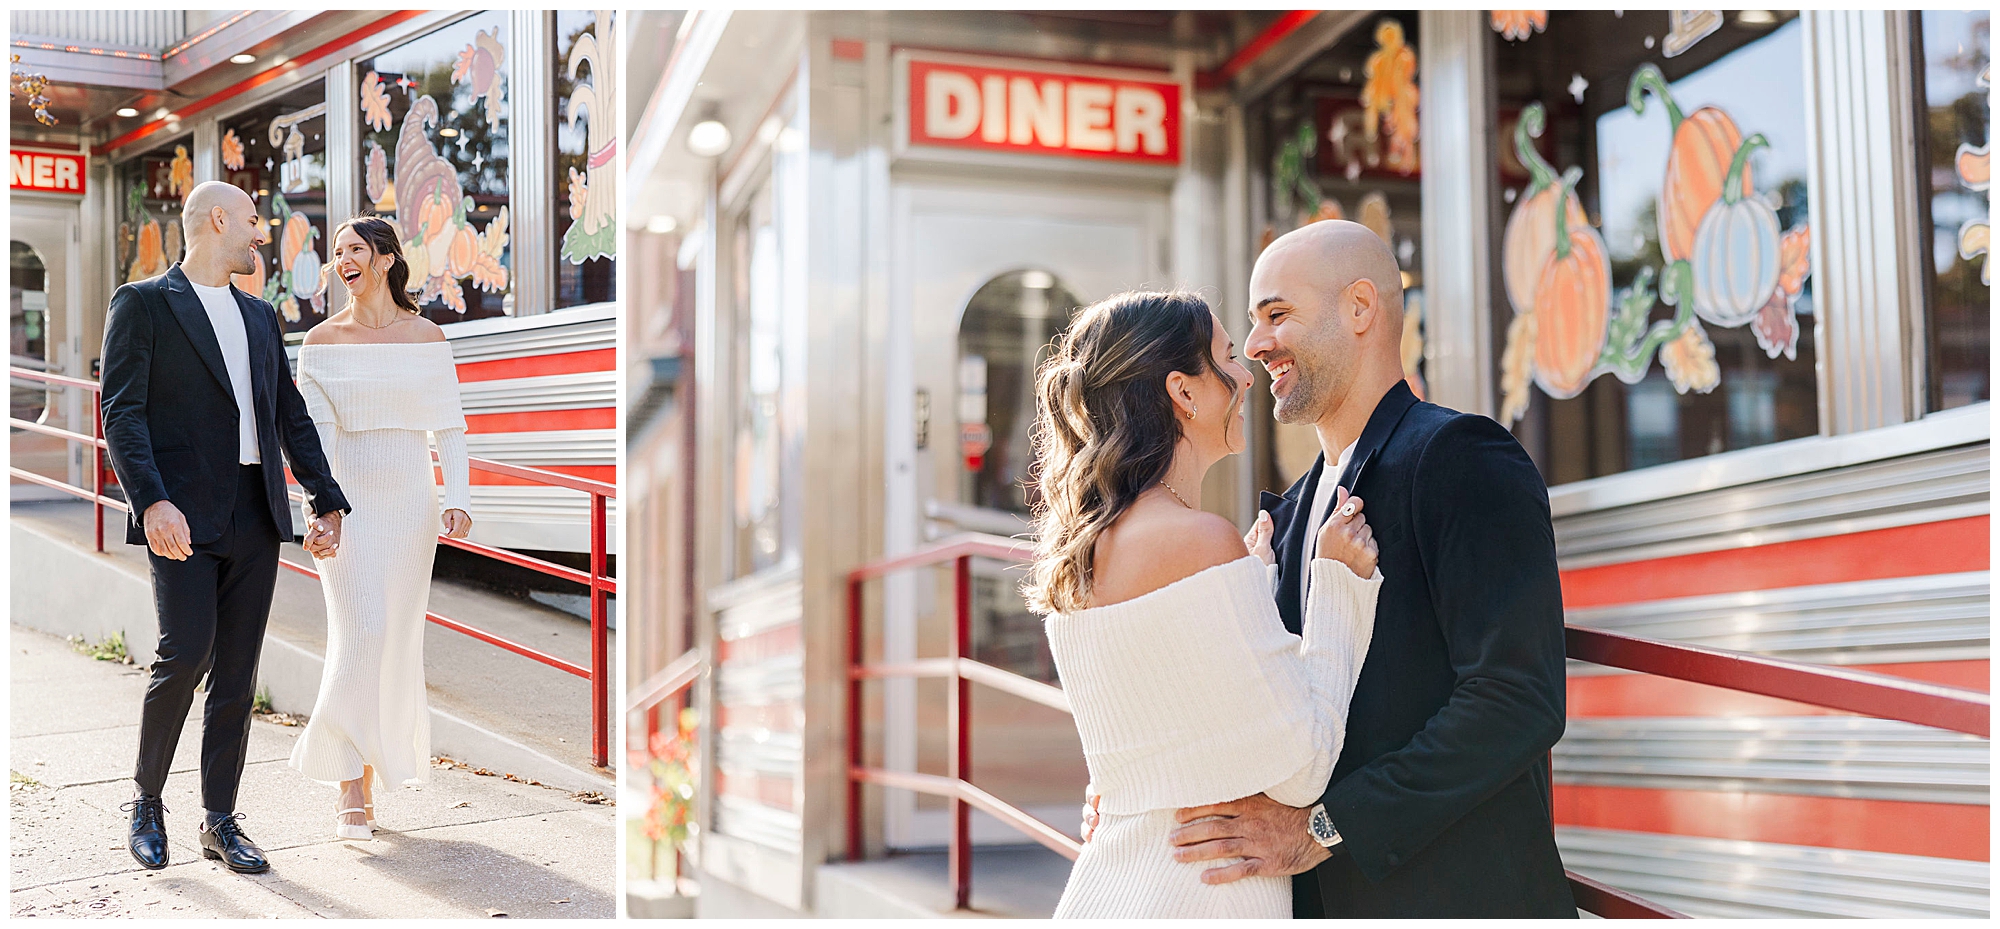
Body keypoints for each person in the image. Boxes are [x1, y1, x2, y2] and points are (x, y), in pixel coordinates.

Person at [1160, 220, 1575, 917]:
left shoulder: (1463, 456)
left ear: (1360, 308)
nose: (1256, 344)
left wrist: (1322, 828)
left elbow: (1516, 698)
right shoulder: (1289, 516)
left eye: (1276, 314)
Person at [1029, 291, 1383, 918]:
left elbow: (1178, 730)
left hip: (1110, 893)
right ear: (1184, 393)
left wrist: (1247, 583)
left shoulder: (1078, 551)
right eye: (1225, 356)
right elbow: (1303, 768)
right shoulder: (1199, 541)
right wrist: (1336, 588)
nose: (1247, 372)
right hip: (1198, 899)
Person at [101, 181, 350, 874]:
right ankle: (147, 800)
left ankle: (219, 819)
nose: (261, 232)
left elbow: (289, 416)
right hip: (179, 512)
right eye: (251, 220)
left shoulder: (261, 316)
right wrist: (150, 500)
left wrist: (325, 498)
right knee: (185, 652)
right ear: (217, 220)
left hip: (254, 509)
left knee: (237, 673)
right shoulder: (144, 304)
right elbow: (121, 412)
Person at [287, 216, 472, 841]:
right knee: (357, 630)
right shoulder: (319, 340)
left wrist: (459, 496)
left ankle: (368, 770)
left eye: (355, 249)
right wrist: (319, 509)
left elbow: (448, 423)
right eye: (336, 252)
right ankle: (348, 783)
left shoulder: (426, 337)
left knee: (391, 637)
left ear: (386, 261)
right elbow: (312, 439)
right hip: (348, 499)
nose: (342, 259)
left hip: (410, 502)